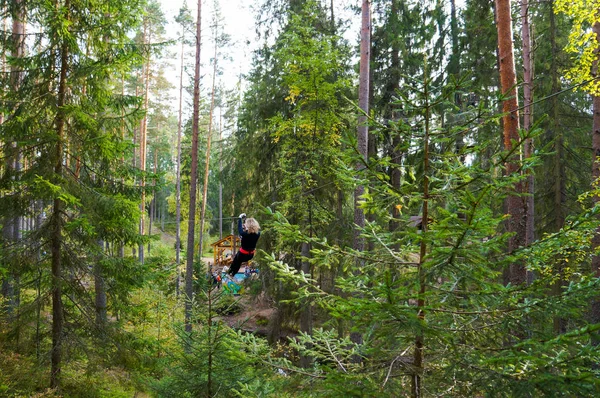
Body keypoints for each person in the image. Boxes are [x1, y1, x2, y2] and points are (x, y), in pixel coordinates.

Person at [228, 213, 260, 277]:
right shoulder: (258, 234)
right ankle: (232, 273)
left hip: (243, 254)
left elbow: (240, 229)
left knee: (236, 261)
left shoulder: (244, 234)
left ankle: (231, 272)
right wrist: (245, 222)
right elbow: (250, 232)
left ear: (248, 226)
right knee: (238, 261)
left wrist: (240, 218)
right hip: (250, 255)